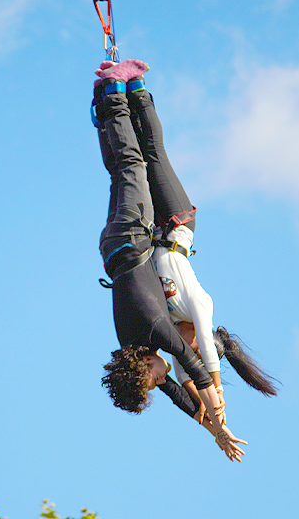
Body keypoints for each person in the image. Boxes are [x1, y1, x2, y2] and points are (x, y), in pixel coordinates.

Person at [92, 58, 246, 461]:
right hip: (113, 248)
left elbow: (195, 371)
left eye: (151, 383)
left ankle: (113, 91)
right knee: (119, 171)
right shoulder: (132, 342)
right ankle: (103, 101)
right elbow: (179, 392)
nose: (160, 382)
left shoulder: (157, 330)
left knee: (133, 165)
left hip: (133, 235)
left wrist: (221, 421)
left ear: (143, 367)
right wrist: (212, 429)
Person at [125, 75, 279, 429]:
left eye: (187, 354)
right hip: (177, 222)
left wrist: (213, 427)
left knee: (134, 165)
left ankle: (120, 107)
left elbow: (180, 383)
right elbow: (206, 361)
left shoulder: (167, 323)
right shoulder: (199, 309)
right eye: (195, 348)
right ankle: (139, 92)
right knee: (154, 155)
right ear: (203, 338)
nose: (187, 350)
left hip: (151, 228)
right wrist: (219, 395)